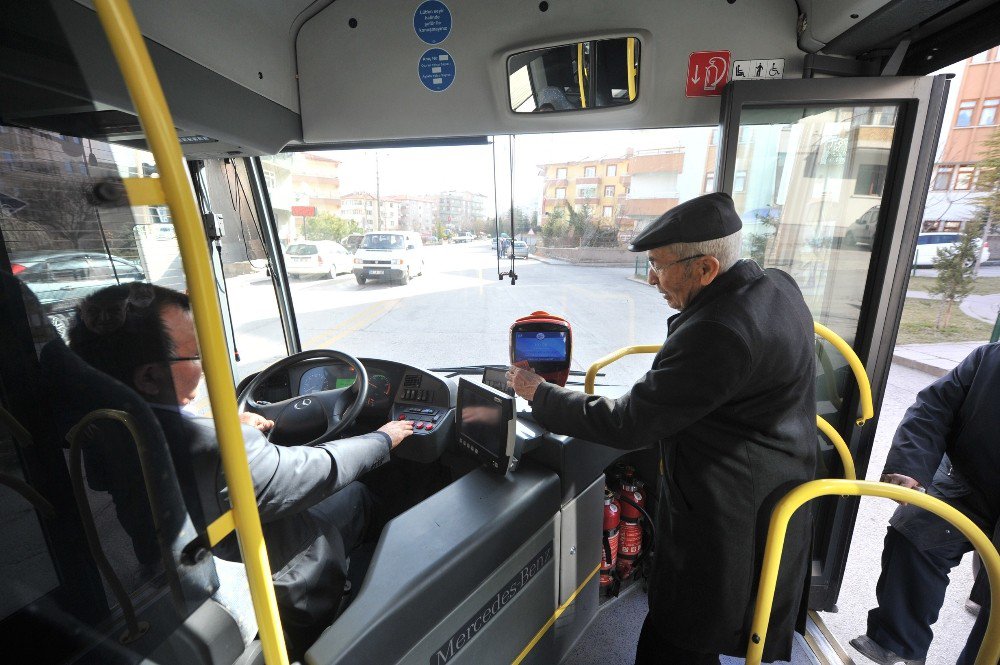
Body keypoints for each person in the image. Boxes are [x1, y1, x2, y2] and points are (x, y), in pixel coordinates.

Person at [507, 192, 817, 664]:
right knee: (700, 633)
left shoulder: (719, 331)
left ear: (706, 269)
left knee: (677, 636)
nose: (652, 279)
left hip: (728, 512)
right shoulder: (774, 286)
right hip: (770, 484)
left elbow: (630, 421)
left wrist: (538, 393)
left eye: (659, 265)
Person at [67, 283, 414, 654]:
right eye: (196, 356)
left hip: (169, 562)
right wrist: (384, 438)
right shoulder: (217, 448)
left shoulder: (103, 425)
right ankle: (355, 601)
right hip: (276, 578)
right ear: (150, 378)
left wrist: (227, 428)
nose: (204, 367)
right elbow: (317, 471)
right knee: (357, 493)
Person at [850, 343, 1000, 665]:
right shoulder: (990, 359)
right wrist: (909, 466)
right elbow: (934, 408)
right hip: (973, 483)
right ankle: (897, 646)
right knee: (917, 530)